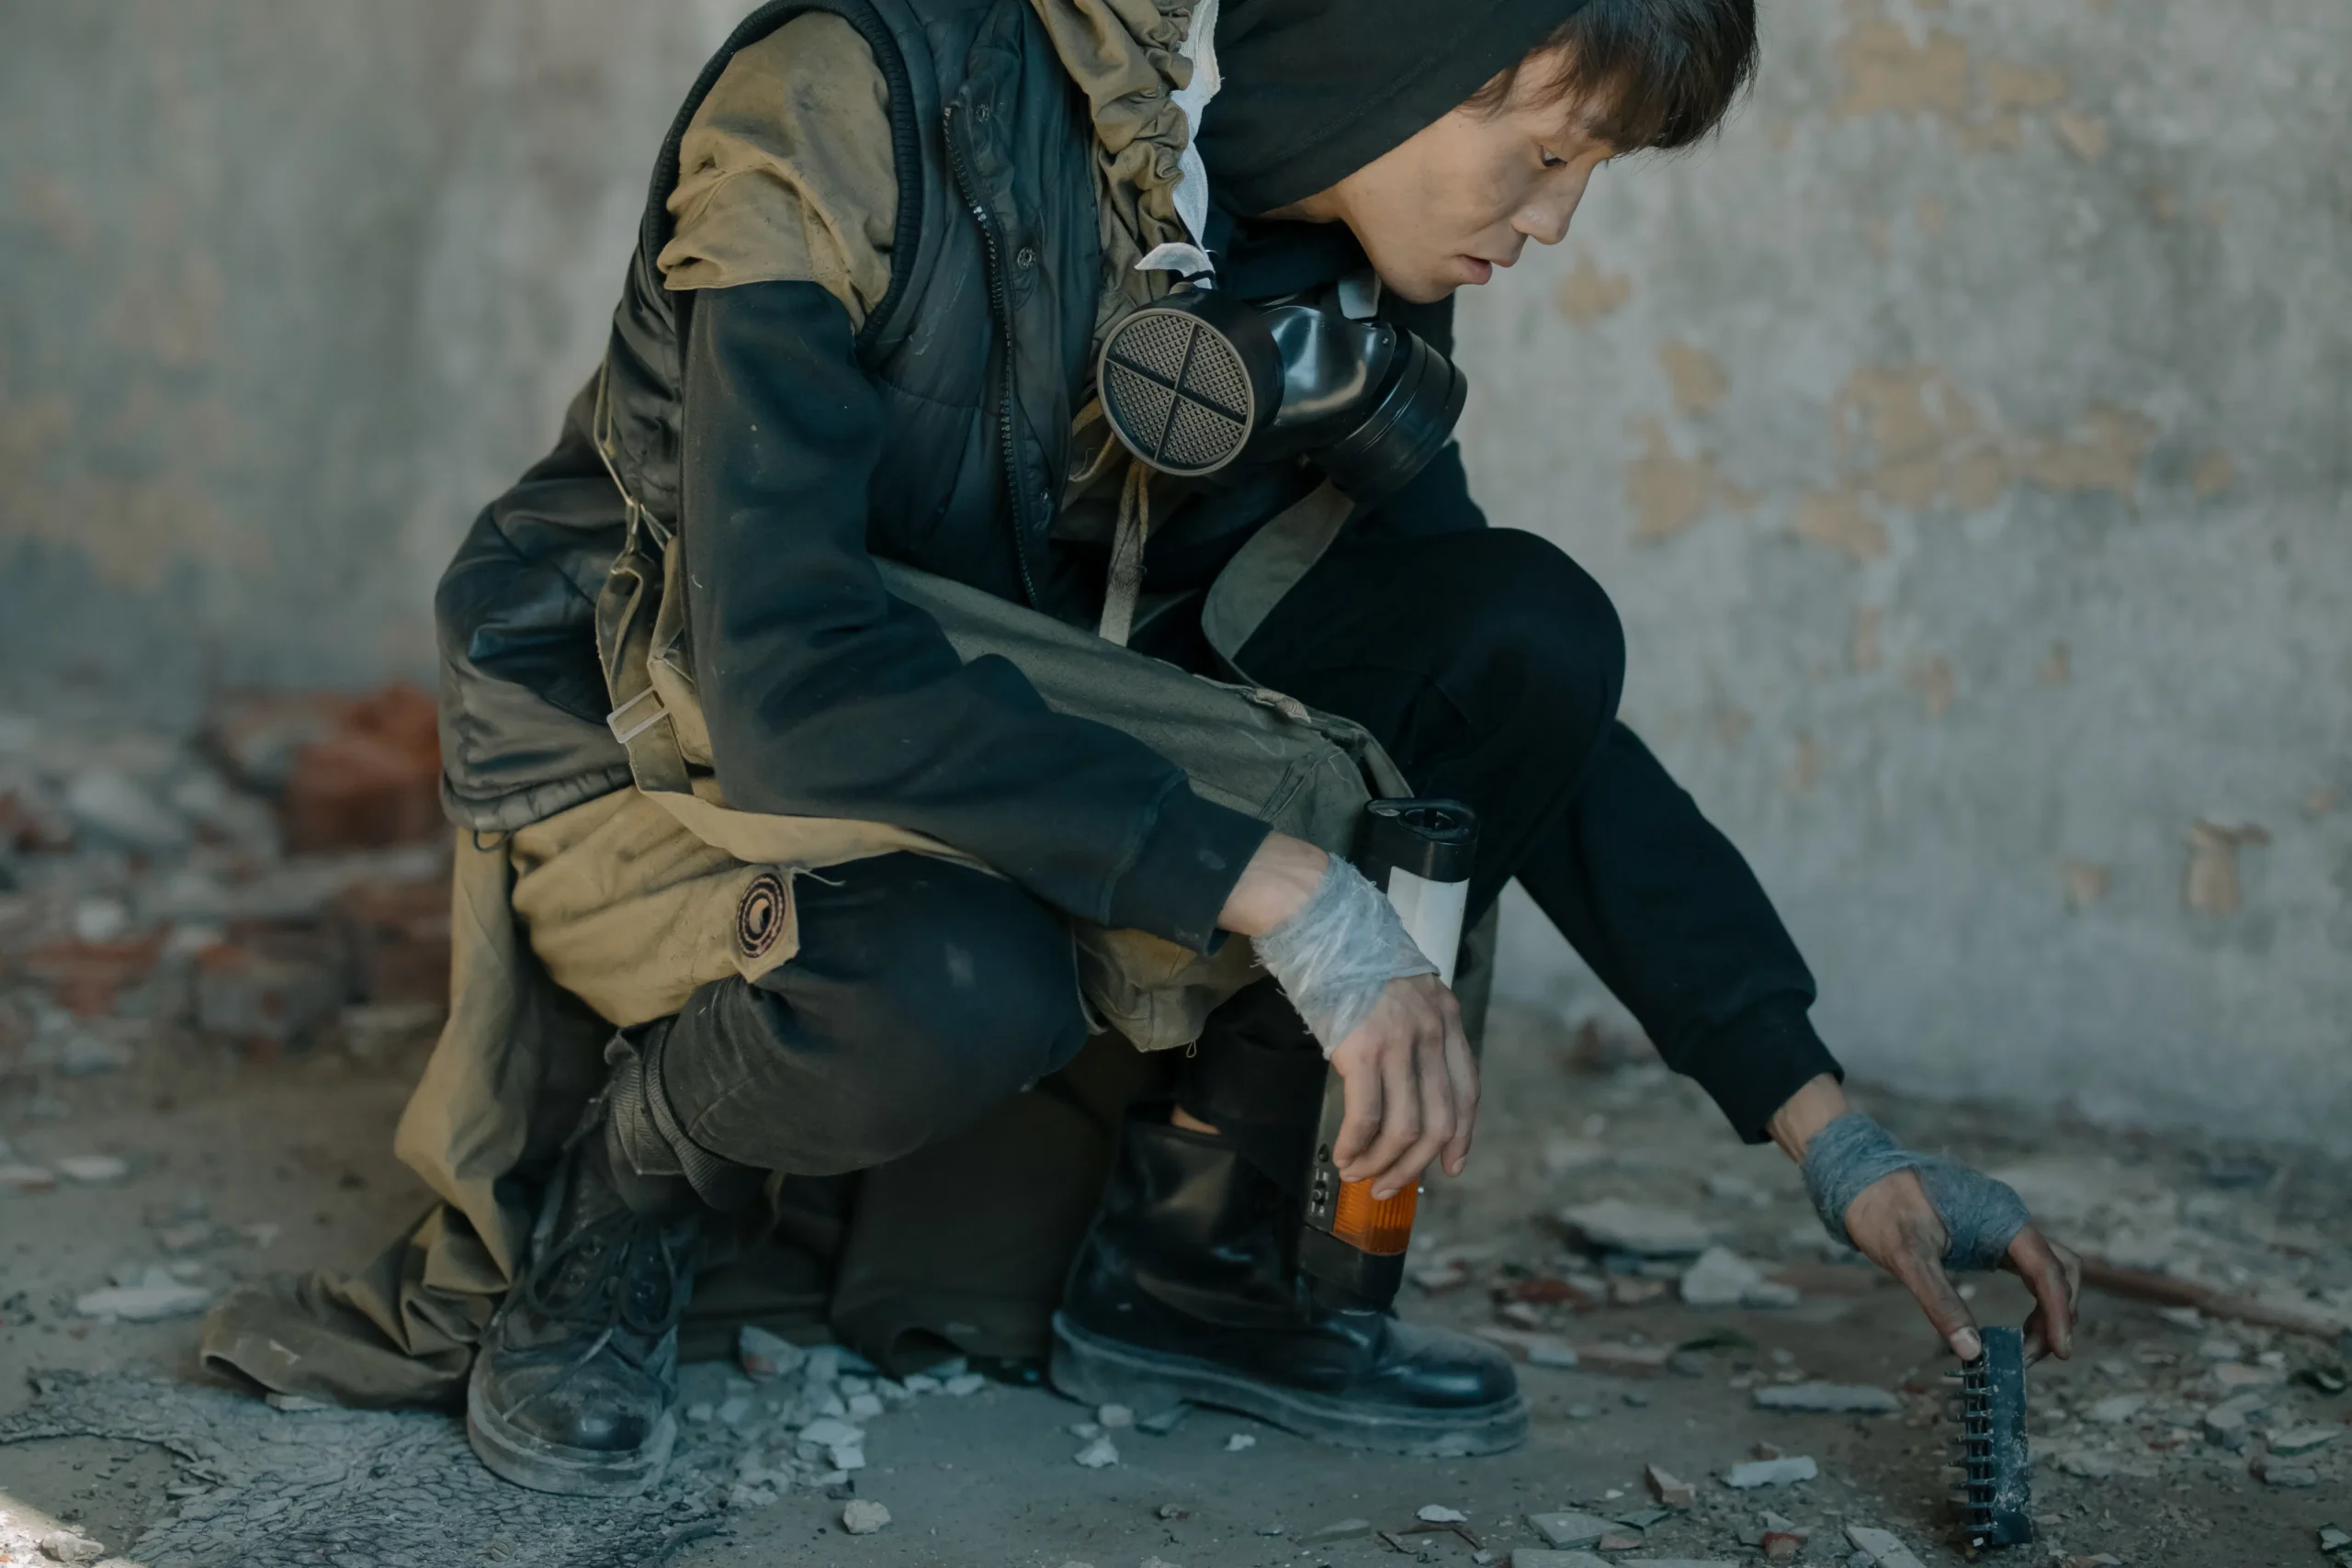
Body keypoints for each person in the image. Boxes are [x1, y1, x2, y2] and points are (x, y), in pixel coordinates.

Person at [394, 0, 2080, 1496]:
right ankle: (626, 1204)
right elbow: (781, 673)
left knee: (1515, 628)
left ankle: (1199, 1269)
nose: (1557, 221)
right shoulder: (851, 95)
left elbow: (1509, 714)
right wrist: (1279, 887)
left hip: (1001, 752)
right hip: (664, 754)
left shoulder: (1336, 259)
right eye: (1549, 152)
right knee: (958, 978)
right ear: (1408, 50)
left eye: (1597, 175)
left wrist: (1828, 1134)